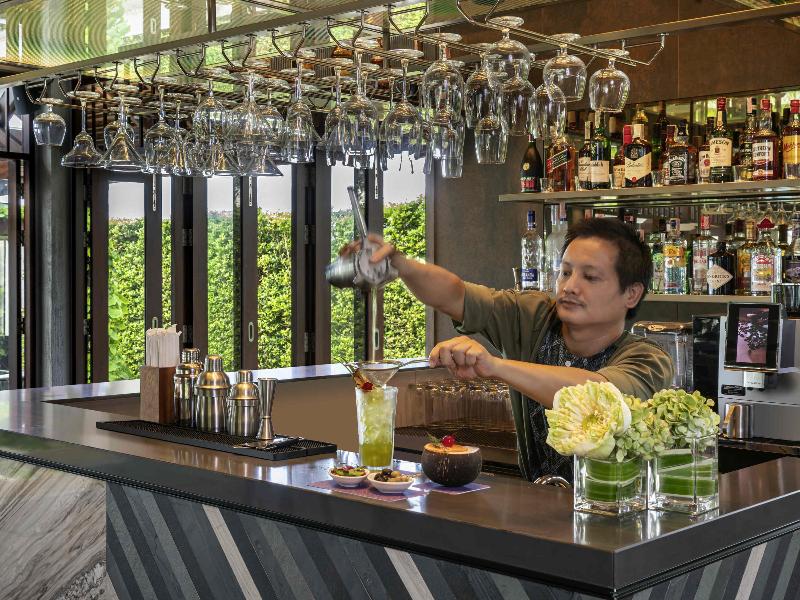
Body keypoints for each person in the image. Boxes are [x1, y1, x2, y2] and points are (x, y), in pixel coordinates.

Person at [343, 217, 673, 482]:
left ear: (631, 294)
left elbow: (597, 395)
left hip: (615, 518)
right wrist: (401, 264)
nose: (570, 286)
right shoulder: (533, 317)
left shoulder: (648, 359)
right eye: (565, 272)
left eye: (590, 277)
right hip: (540, 506)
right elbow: (456, 295)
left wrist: (496, 366)